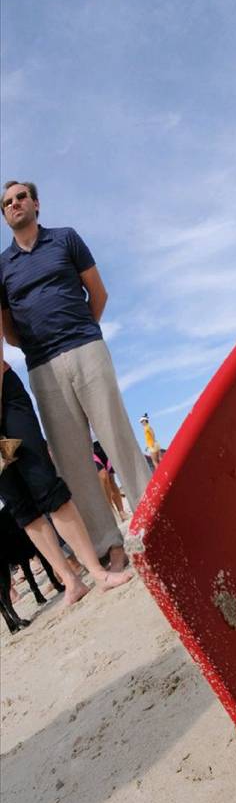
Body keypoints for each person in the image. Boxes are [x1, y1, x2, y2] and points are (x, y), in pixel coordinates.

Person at [0, 181, 152, 571]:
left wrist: (83, 332)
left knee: (117, 436)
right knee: (72, 460)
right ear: (4, 215)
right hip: (43, 367)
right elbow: (8, 329)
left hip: (86, 347)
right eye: (7, 203)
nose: (15, 204)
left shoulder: (66, 239)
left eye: (21, 197)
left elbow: (97, 294)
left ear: (35, 202)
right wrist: (39, 347)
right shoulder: (3, 267)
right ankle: (110, 545)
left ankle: (151, 525)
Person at [0, 324, 132, 605]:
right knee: (20, 506)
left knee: (45, 484)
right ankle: (70, 580)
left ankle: (97, 571)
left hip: (5, 396)